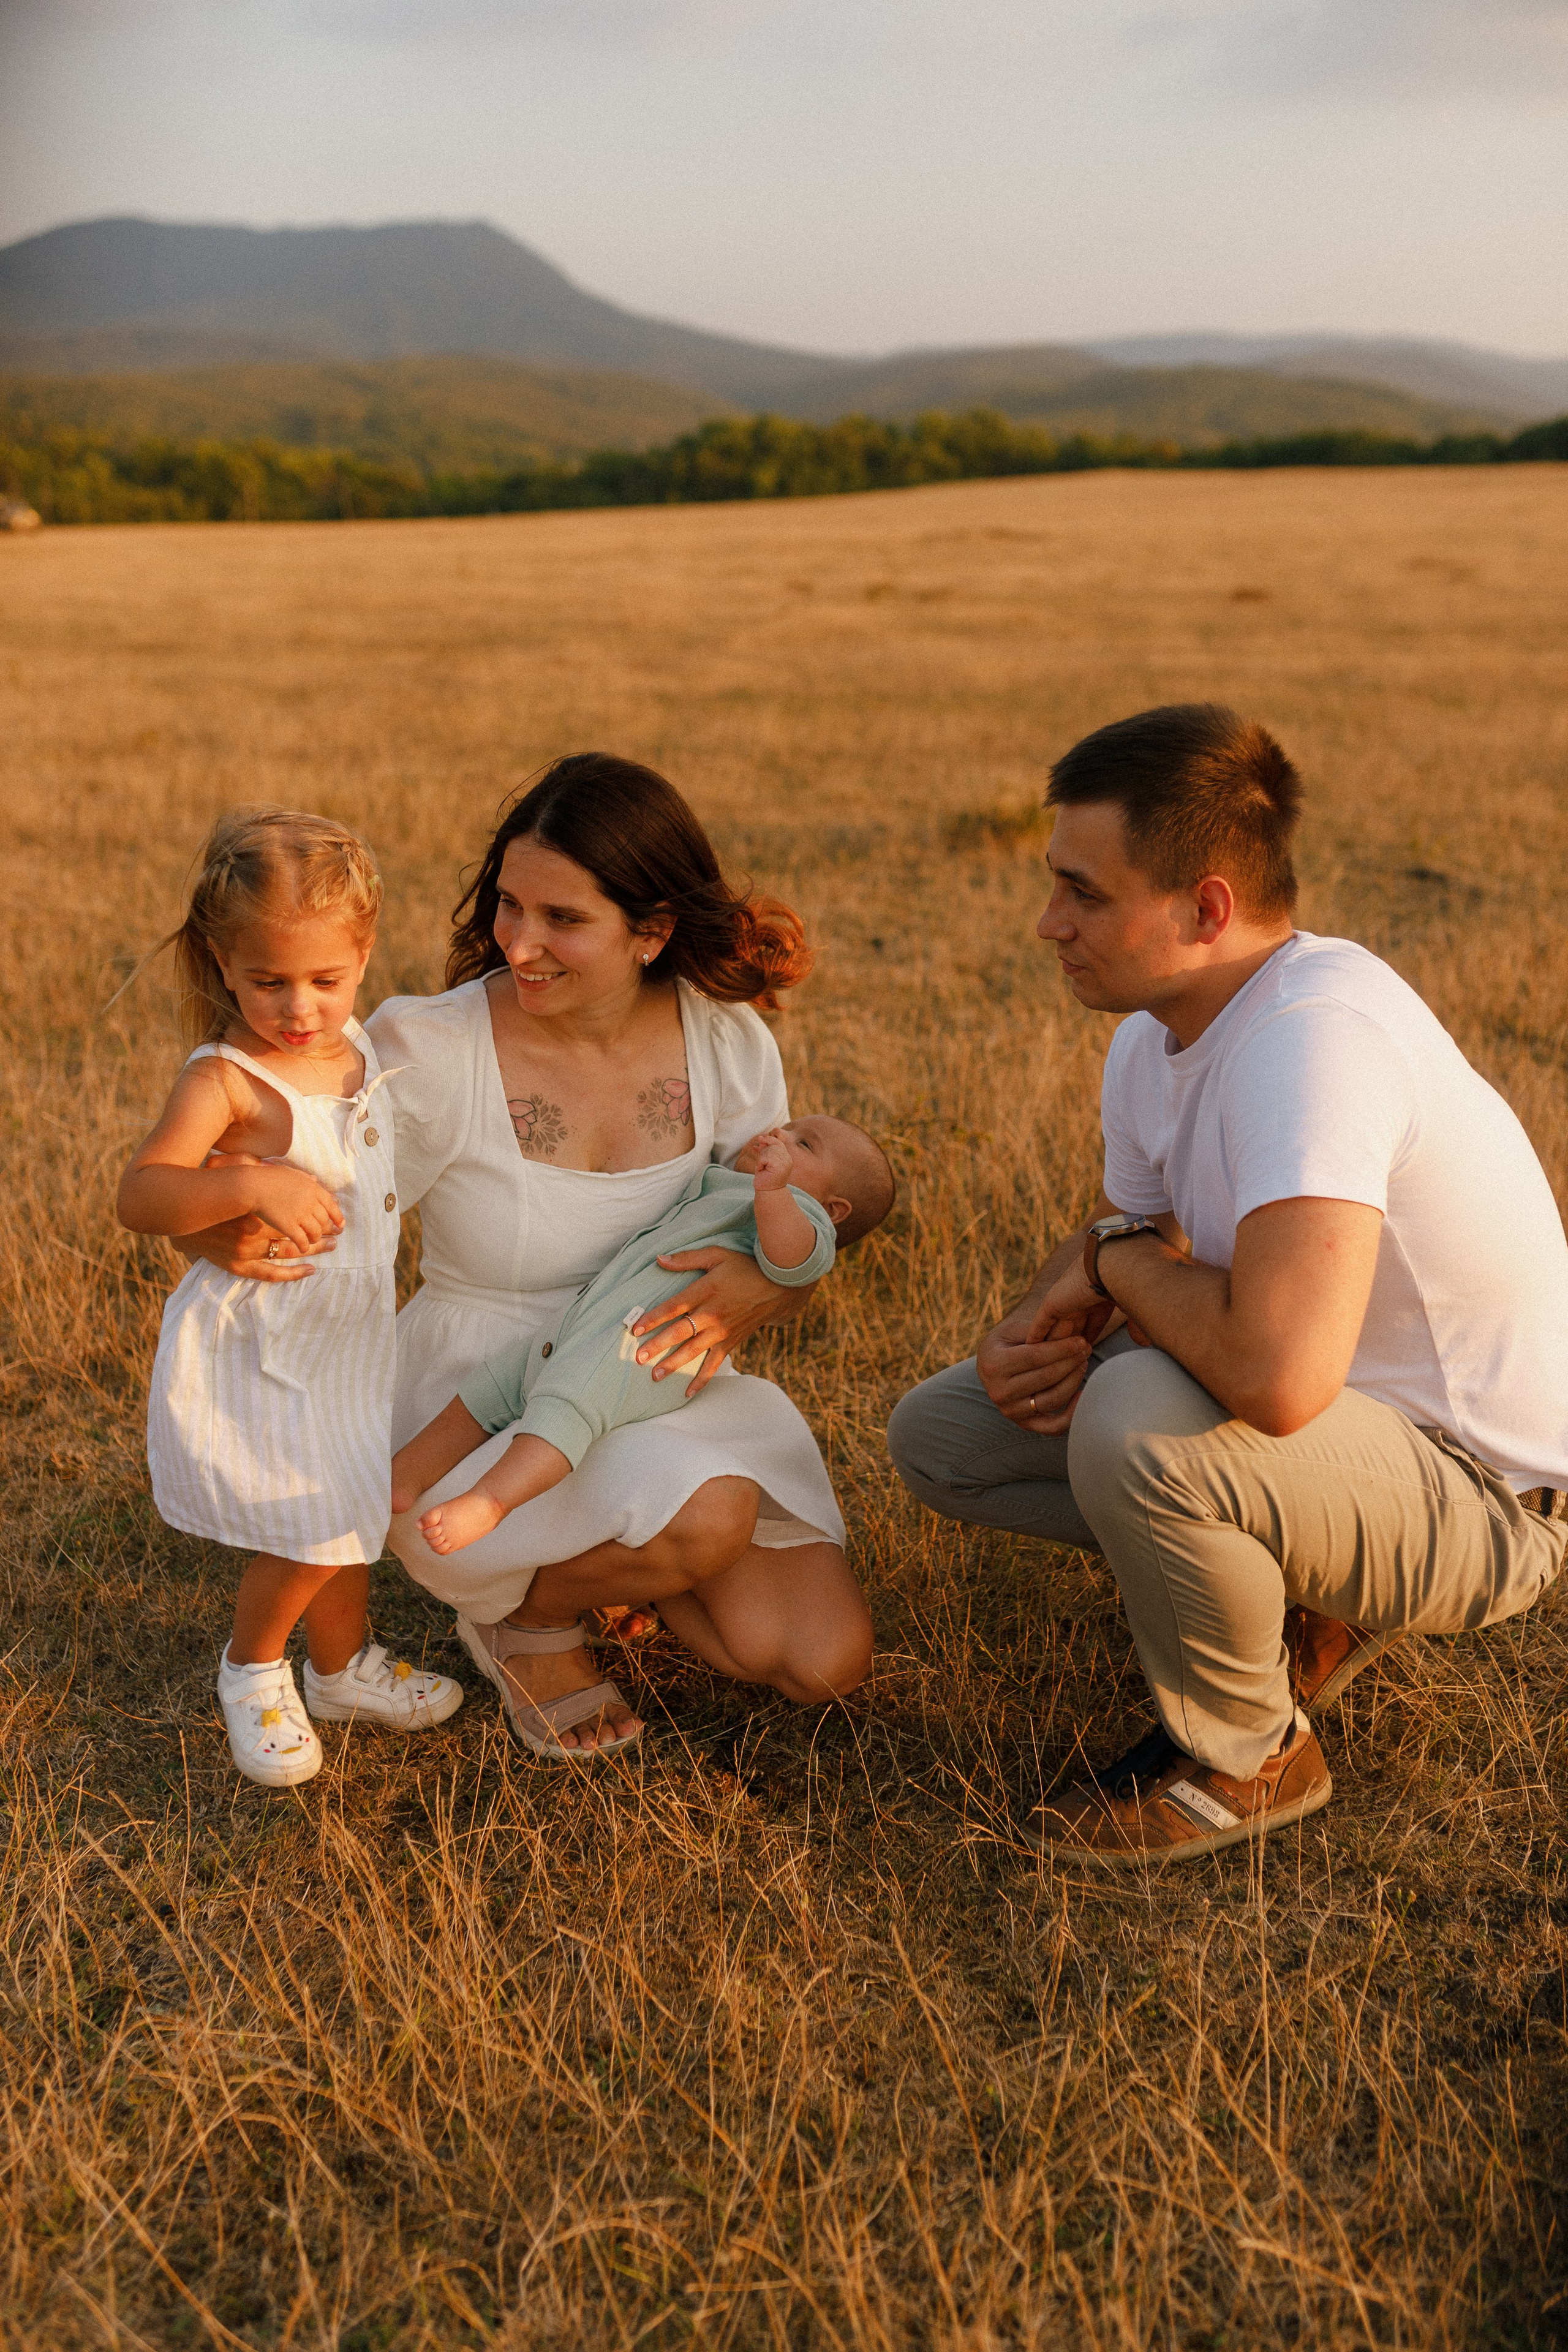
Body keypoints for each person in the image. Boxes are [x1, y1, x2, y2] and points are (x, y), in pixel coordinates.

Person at [888, 704, 1568, 1864]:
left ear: (1206, 909)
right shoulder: (1156, 1032)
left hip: (1488, 1502)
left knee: (1134, 1419)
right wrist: (1034, 1327)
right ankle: (1289, 1587)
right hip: (1352, 1435)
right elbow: (1139, 1230)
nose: (1048, 924)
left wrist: (1111, 1267)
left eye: (1083, 893)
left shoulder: (1315, 1040)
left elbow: (1274, 1376)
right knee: (945, 1438)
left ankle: (1251, 1756)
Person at [175, 755, 876, 1760]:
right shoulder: (433, 1047)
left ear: (652, 930)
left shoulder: (724, 1042)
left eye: (562, 919)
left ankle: (622, 1563)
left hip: (647, 1373)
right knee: (713, 1514)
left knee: (819, 1659)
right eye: (509, 905)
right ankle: (527, 1621)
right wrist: (219, 1216)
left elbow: (774, 1218)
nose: (518, 942)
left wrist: (767, 1286)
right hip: (479, 1400)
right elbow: (290, 1189)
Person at [118, 809, 462, 1789]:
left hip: (350, 1336)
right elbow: (141, 1194)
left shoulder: (356, 1048)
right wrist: (246, 1183)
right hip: (269, 1338)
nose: (300, 1007)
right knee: (315, 1519)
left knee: (348, 1508)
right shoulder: (229, 1080)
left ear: (364, 957)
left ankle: (340, 1668)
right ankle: (253, 1669)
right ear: (224, 965)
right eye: (269, 982)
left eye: (325, 979)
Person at [391, 1114, 894, 1593]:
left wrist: (776, 1191)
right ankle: (403, 1476)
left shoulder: (801, 1215)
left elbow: (793, 1262)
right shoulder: (727, 1185)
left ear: (834, 1210)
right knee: (491, 1386)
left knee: (566, 1407)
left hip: (642, 1347)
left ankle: (491, 1501)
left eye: (803, 1144)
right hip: (589, 1320)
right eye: (788, 1126)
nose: (779, 1134)